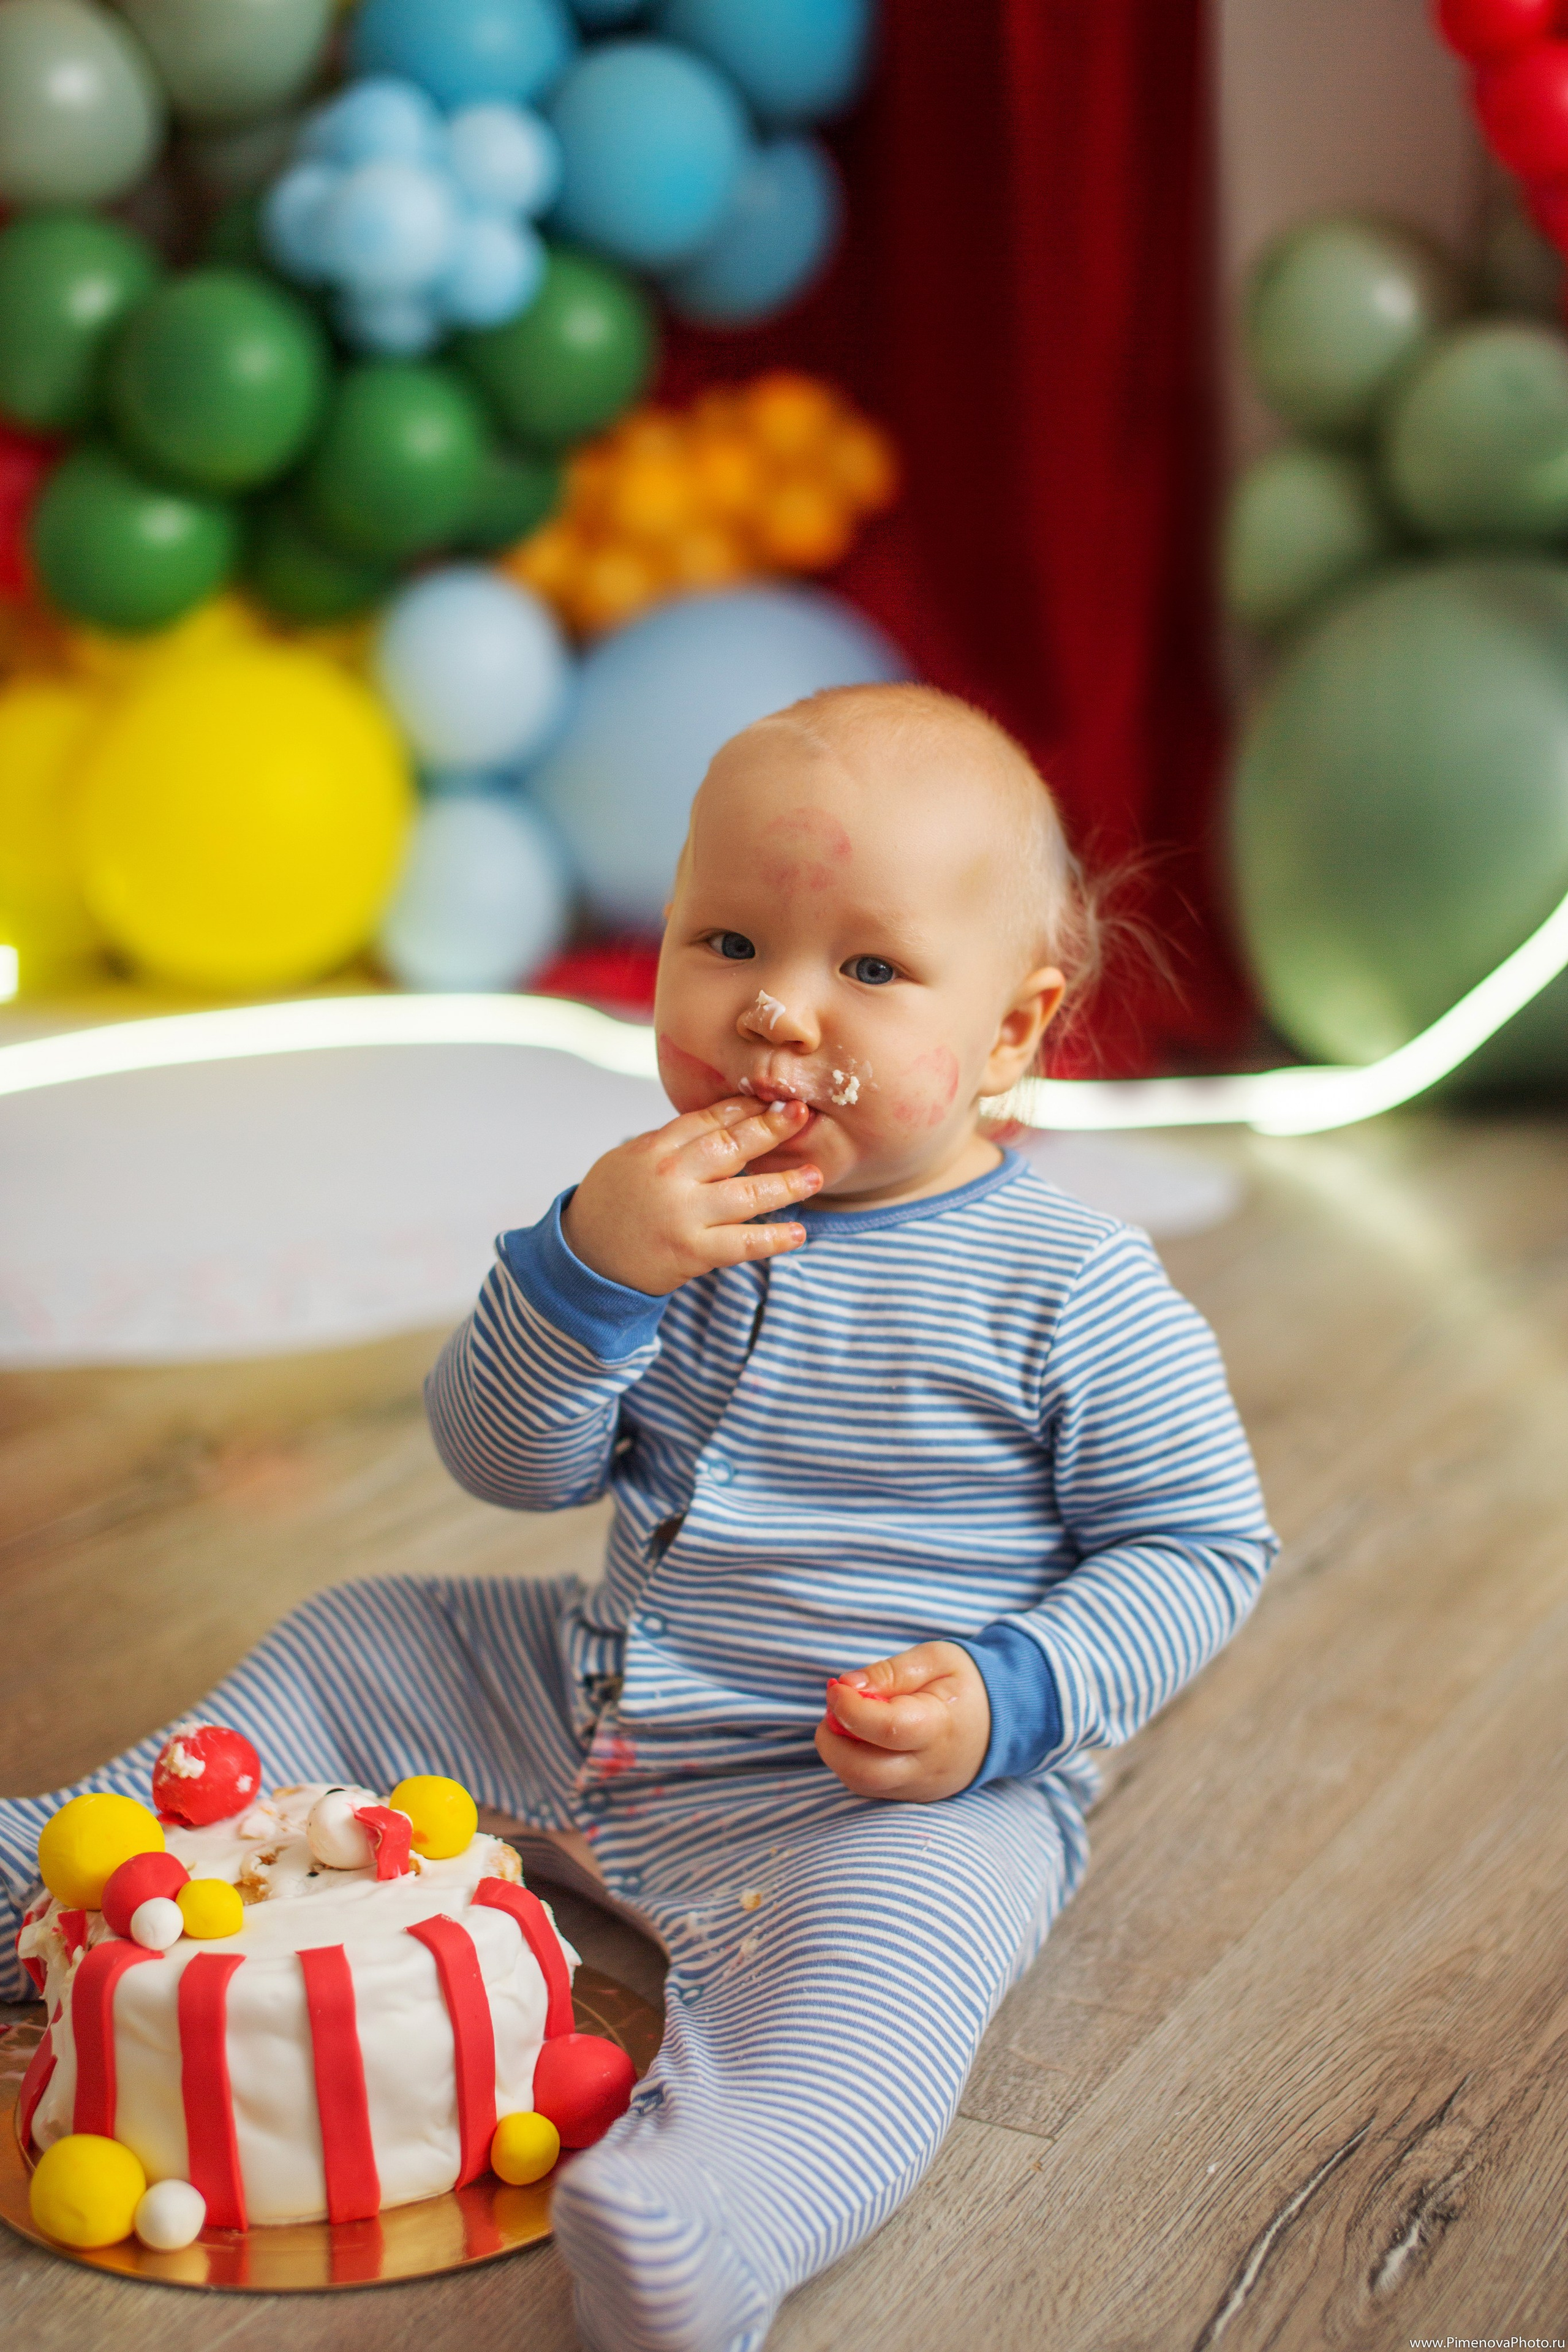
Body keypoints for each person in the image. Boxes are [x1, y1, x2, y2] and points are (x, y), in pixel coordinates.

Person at [0, 684, 1276, 2352]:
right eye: (728, 941)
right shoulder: (638, 1217)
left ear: (1019, 1032)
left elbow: (1202, 1546)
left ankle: (718, 2212)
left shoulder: (1073, 1287)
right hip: (594, 1695)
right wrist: (584, 1276)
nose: (777, 1015)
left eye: (871, 971)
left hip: (873, 1793)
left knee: (881, 1993)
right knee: (369, 1631)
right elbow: (505, 1463)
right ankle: (56, 1860)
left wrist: (1007, 1696)